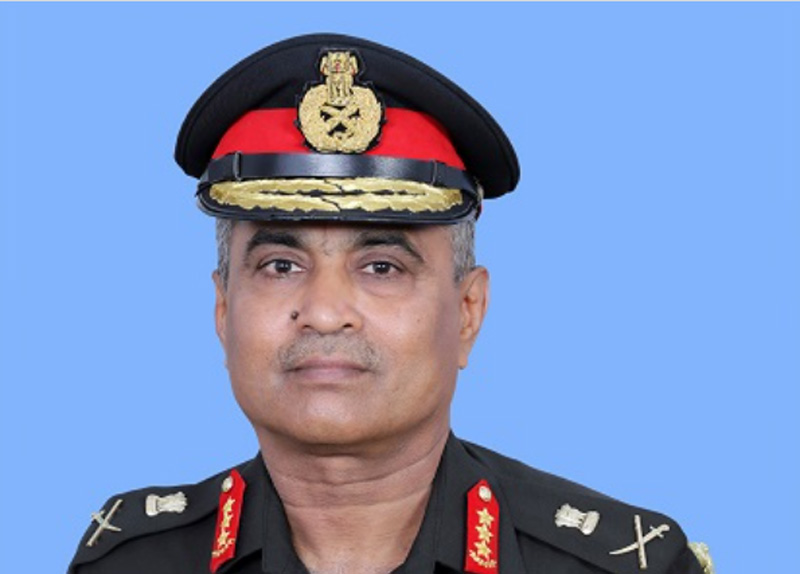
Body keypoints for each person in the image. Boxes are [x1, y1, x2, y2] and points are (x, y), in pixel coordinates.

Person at [68, 34, 713, 574]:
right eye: (280, 265)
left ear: (468, 312)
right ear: (222, 309)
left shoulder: (619, 566)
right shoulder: (130, 563)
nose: (325, 312)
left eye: (382, 267)